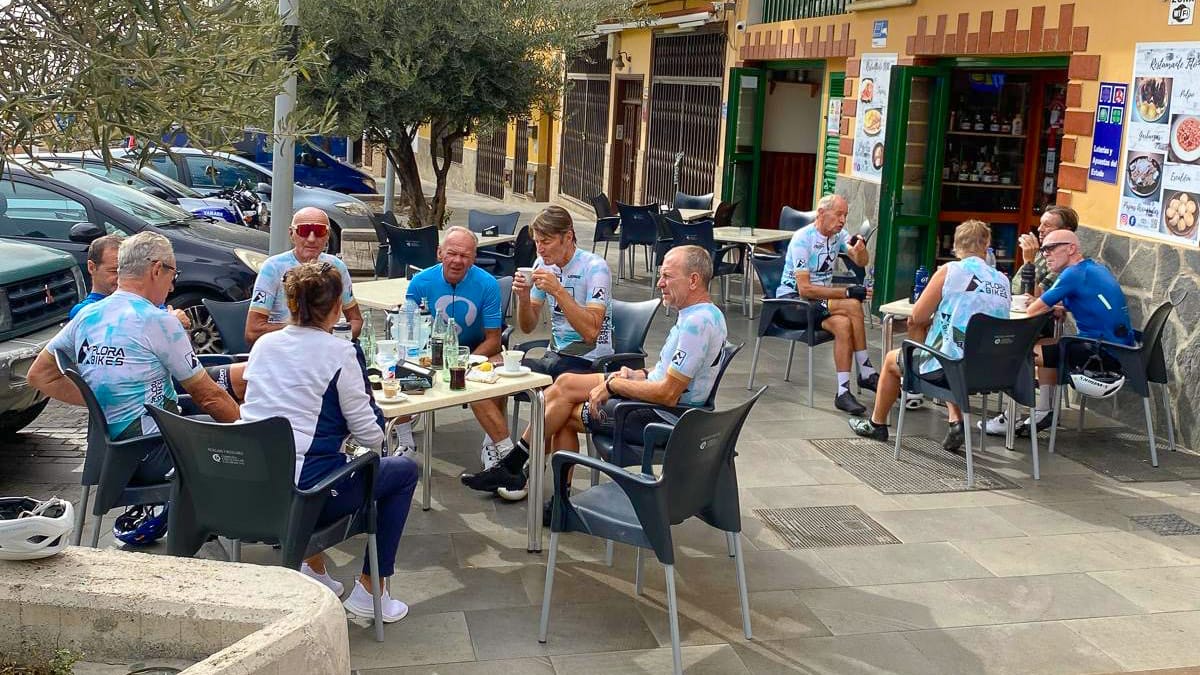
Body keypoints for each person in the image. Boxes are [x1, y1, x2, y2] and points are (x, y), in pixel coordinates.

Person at [462, 246, 728, 516]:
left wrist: (613, 384)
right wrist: (638, 374)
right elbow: (670, 375)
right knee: (565, 383)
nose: (659, 283)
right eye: (660, 275)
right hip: (655, 399)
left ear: (694, 280)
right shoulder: (701, 315)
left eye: (667, 277)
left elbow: (668, 394)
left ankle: (537, 485)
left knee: (562, 414)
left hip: (662, 417)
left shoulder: (698, 324)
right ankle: (517, 470)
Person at [239, 261, 419, 623]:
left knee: (313, 456)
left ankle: (314, 569)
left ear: (290, 304)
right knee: (402, 471)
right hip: (308, 495)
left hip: (253, 488)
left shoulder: (264, 346)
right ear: (338, 307)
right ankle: (371, 590)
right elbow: (370, 434)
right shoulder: (339, 352)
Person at [28, 232, 241, 487]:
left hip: (114, 455)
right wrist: (251, 435)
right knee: (244, 452)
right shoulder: (157, 321)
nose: (172, 286)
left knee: (215, 425)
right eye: (173, 276)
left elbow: (39, 375)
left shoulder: (88, 315)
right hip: (152, 451)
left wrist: (100, 401)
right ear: (156, 269)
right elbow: (209, 397)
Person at [847, 220, 1011, 452]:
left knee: (893, 361)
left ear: (955, 246)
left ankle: (877, 424)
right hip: (991, 369)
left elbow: (917, 317)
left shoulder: (950, 271)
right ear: (987, 246)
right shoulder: (1002, 280)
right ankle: (955, 420)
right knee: (949, 348)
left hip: (951, 368)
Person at [405, 227, 513, 471]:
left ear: (474, 258)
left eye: (465, 255)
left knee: (497, 370)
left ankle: (494, 447)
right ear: (439, 253)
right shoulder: (420, 282)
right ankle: (404, 442)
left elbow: (494, 339)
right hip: (429, 352)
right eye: (451, 253)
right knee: (397, 367)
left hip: (476, 349)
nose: (457, 261)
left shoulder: (487, 284)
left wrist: (464, 361)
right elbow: (410, 332)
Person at [1017, 229, 1135, 434]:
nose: (1045, 254)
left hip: (1100, 353)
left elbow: (1031, 310)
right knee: (1045, 345)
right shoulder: (1093, 268)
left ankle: (1011, 417)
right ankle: (1044, 411)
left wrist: (1044, 305)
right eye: (1043, 250)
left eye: (1051, 248)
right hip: (1118, 347)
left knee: (1019, 352)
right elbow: (1088, 302)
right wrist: (1056, 307)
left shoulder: (1073, 274)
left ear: (1071, 249)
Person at [979, 205, 1080, 435]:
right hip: (1035, 322)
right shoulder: (1048, 254)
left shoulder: (1060, 259)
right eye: (1041, 224)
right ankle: (1040, 410)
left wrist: (1029, 261)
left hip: (1039, 325)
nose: (1040, 229)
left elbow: (1033, 298)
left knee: (1012, 350)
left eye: (1048, 225)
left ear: (1065, 231)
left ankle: (1013, 414)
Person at [775, 194, 873, 415]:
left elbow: (860, 261)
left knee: (843, 325)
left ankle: (843, 392)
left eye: (845, 215)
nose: (842, 220)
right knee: (852, 305)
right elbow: (805, 289)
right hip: (792, 303)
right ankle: (866, 371)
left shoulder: (838, 235)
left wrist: (860, 247)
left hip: (817, 304)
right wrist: (846, 292)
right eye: (839, 214)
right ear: (821, 214)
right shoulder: (803, 239)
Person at [512, 205, 614, 377]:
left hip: (589, 359)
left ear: (568, 237)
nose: (539, 249)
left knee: (554, 391)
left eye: (546, 242)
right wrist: (523, 298)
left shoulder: (595, 268)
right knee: (497, 376)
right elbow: (527, 327)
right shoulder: (542, 264)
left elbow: (591, 333)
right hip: (554, 356)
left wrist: (558, 291)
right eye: (537, 242)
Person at [70, 234, 191, 330]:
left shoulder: (148, 300)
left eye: (126, 269)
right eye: (114, 271)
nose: (122, 277)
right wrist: (169, 321)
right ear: (92, 267)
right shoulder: (84, 311)